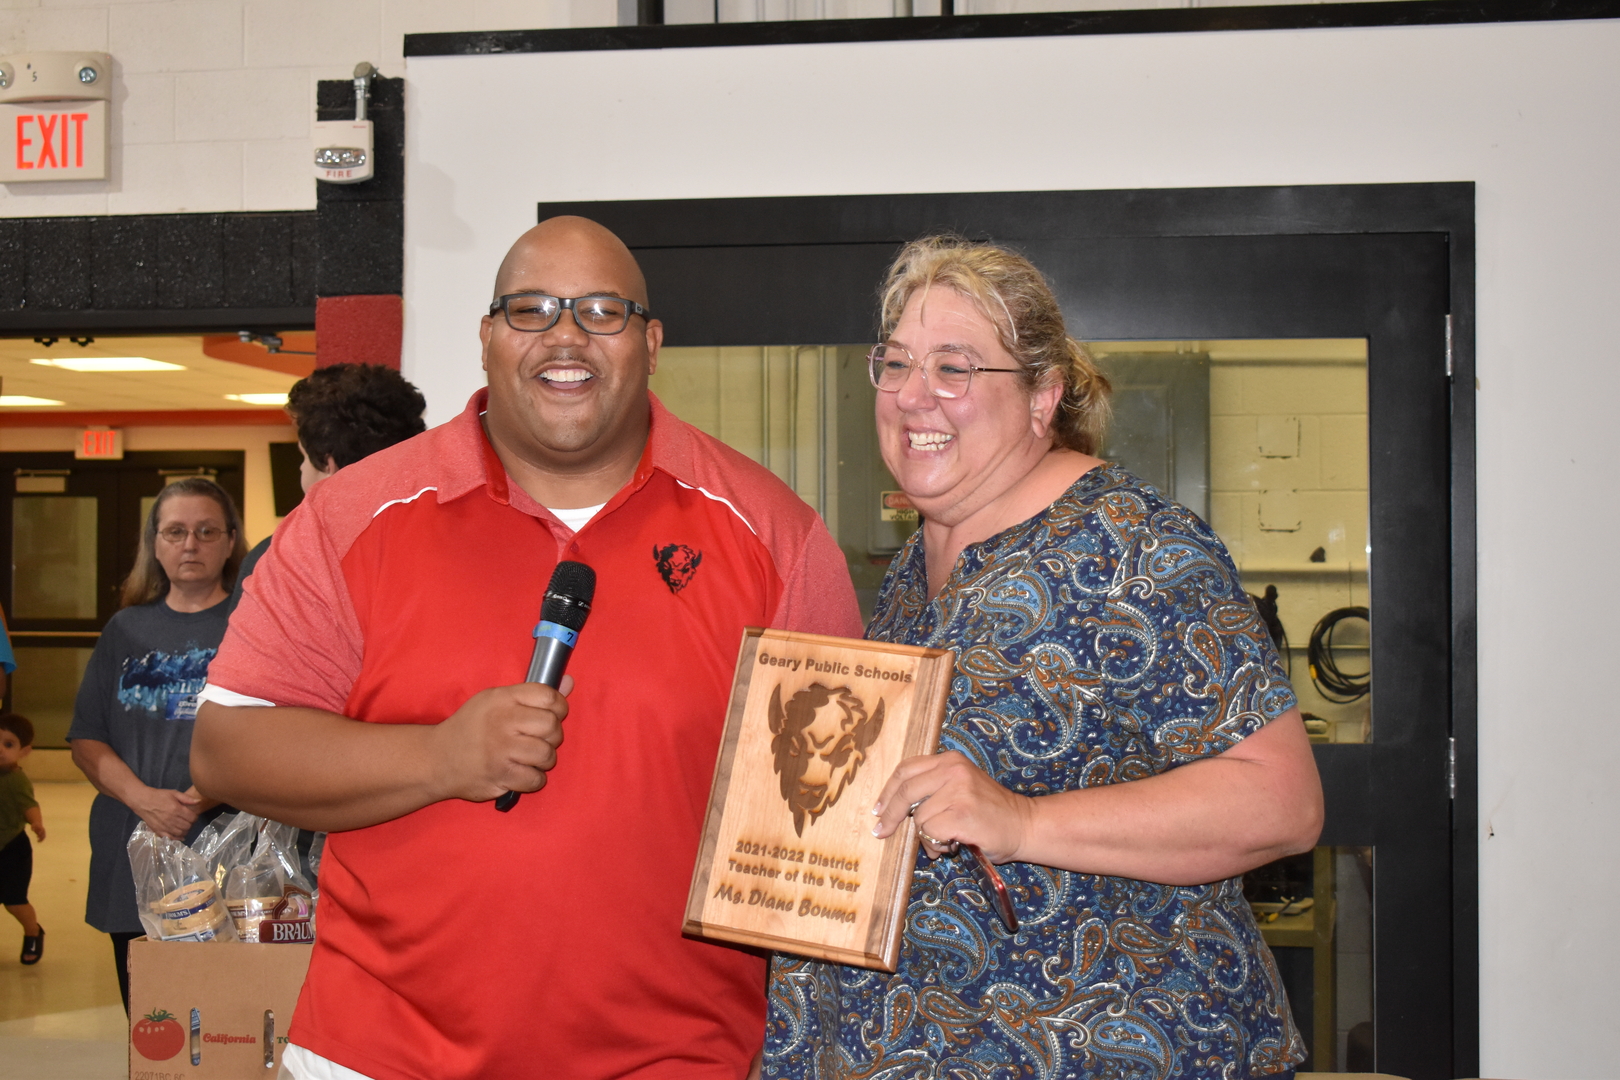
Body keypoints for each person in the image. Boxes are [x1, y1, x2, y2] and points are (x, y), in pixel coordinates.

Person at [192, 216, 863, 1080]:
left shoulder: (774, 535)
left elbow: (834, 823)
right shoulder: (350, 517)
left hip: (680, 1057)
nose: (566, 335)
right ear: (486, 338)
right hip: (380, 1052)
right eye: (531, 309)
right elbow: (224, 750)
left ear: (652, 344)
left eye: (602, 311)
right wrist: (440, 756)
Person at [764, 237, 1324, 1079]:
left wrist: (1024, 823)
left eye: (955, 368)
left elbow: (1281, 801)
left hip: (1113, 1043)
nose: (915, 396)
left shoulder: (1134, 545)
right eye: (897, 363)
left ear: (1041, 396)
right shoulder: (918, 566)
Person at [66, 477, 247, 1011]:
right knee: (153, 1018)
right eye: (175, 532)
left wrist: (198, 799)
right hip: (133, 843)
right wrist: (146, 799)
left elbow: (275, 730)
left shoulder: (250, 627)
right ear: (155, 543)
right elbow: (86, 736)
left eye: (206, 531)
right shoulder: (126, 629)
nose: (190, 544)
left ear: (231, 540)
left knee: (224, 1017)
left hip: (225, 843)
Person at [226, 363, 427, 613]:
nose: (300, 470)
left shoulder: (281, 558)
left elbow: (247, 652)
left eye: (302, 457)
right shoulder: (438, 546)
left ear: (327, 462)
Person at [1, 712, 46, 965]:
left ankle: (33, 932)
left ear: (24, 751)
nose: (0, 750)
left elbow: (29, 805)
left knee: (14, 902)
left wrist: (36, 823)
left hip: (12, 849)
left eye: (8, 745)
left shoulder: (16, 780)